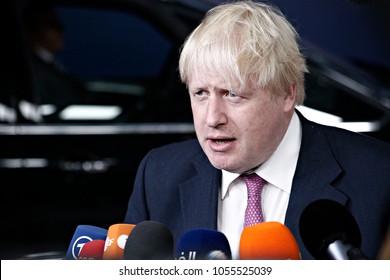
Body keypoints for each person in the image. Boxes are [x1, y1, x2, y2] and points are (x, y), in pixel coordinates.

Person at [124, 0, 390, 260]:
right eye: (201, 93)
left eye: (233, 94)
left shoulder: (378, 177)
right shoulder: (158, 176)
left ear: (287, 93)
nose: (212, 118)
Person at [23, 2, 84, 120]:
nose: (61, 30)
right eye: (52, 25)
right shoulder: (32, 71)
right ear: (34, 28)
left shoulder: (50, 65)